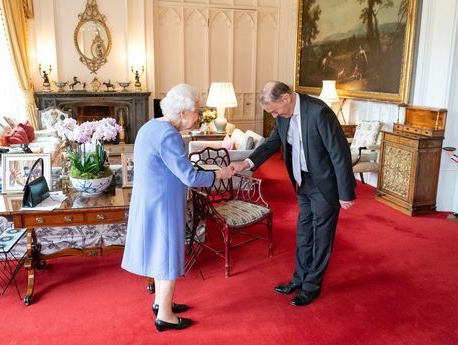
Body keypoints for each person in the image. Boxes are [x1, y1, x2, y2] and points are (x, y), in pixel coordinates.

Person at [121, 83, 235, 331]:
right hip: (164, 203)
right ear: (183, 112)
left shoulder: (151, 126)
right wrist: (220, 174)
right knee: (168, 253)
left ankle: (161, 303)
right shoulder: (168, 135)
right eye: (197, 111)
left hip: (150, 199)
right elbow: (190, 177)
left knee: (160, 252)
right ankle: (164, 316)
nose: (199, 116)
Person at [231, 81, 356, 306]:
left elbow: (339, 153)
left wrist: (346, 192)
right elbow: (271, 143)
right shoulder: (282, 117)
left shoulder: (319, 112)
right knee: (303, 233)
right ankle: (299, 278)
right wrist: (247, 162)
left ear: (286, 98)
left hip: (324, 185)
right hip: (302, 182)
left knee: (321, 236)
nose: (274, 114)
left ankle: (311, 286)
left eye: (274, 109)